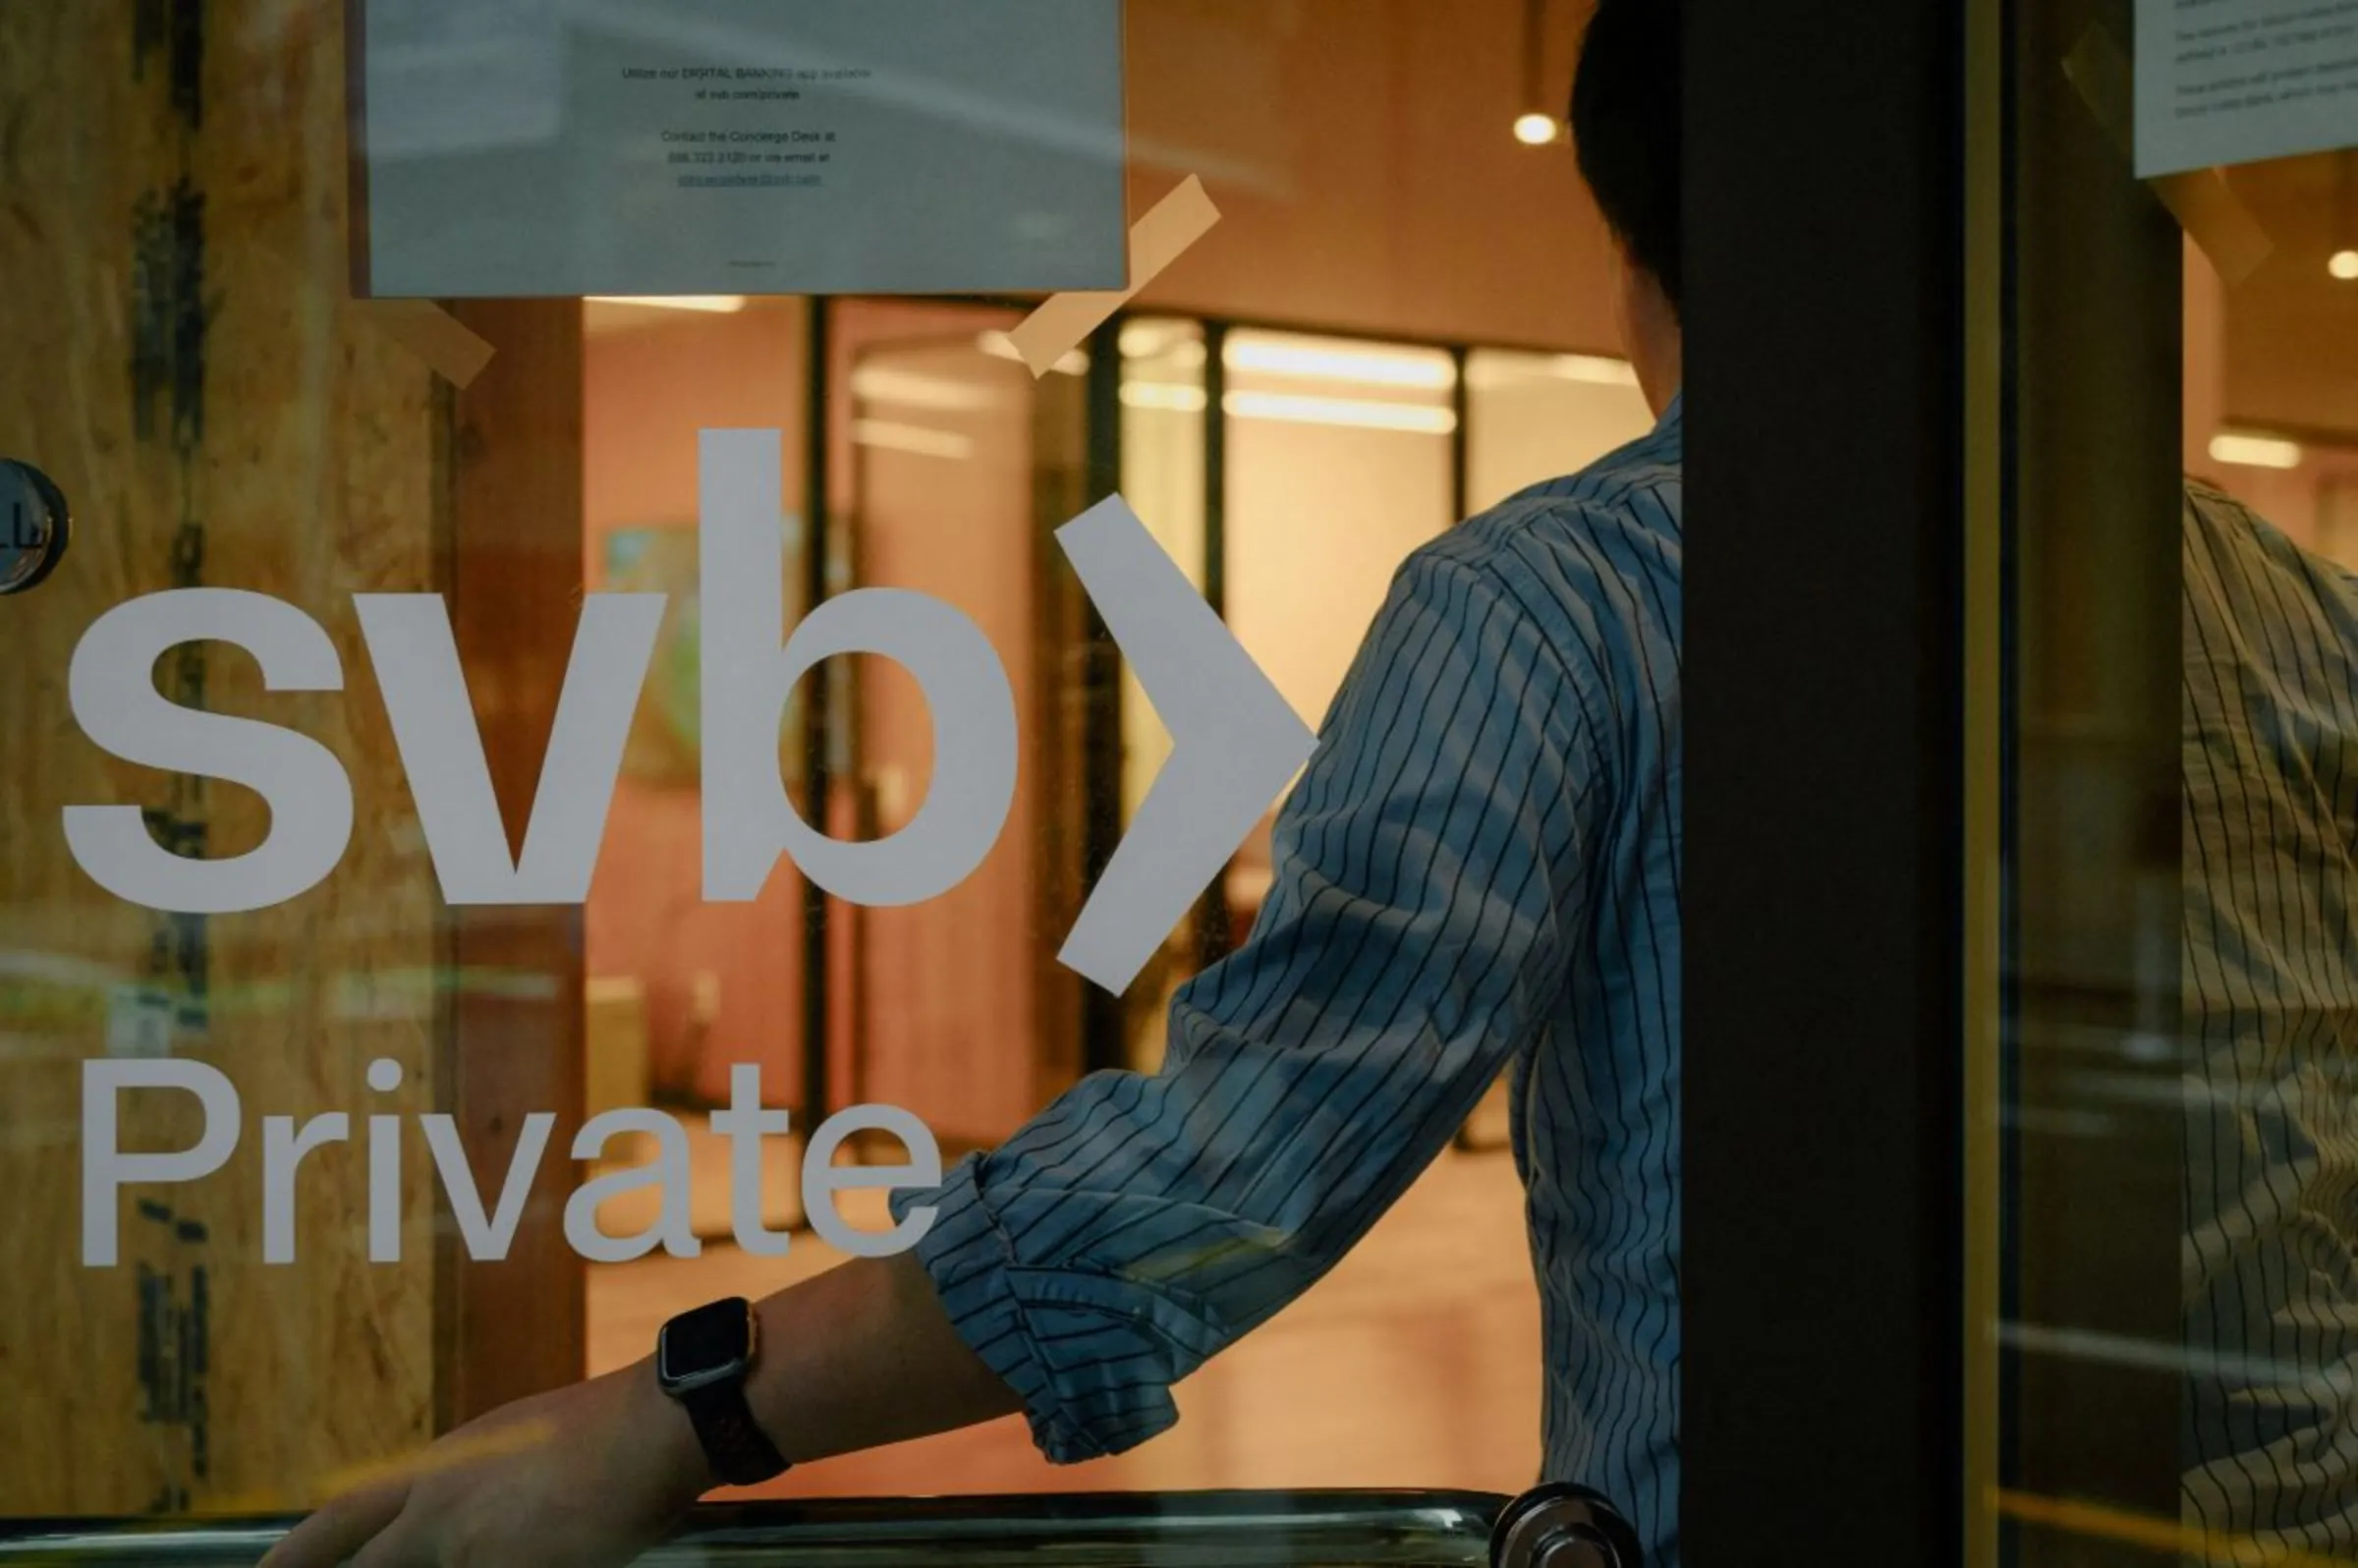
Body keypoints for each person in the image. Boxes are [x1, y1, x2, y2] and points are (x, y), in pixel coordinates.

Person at [266, 5, 1689, 1565]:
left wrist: (669, 1414)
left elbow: (1244, 1160)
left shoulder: (1556, 600)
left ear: (1627, 248)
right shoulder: (1984, 579)